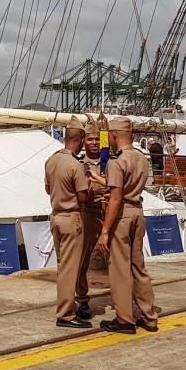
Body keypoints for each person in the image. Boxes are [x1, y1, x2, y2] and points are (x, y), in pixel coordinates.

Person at [95, 117, 158, 334]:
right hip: (138, 212)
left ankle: (124, 319)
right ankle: (149, 316)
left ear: (113, 135)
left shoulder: (116, 161)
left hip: (122, 215)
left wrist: (104, 230)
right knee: (138, 266)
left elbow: (115, 198)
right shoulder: (141, 158)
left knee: (120, 269)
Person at [44, 117, 92, 328]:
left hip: (55, 217)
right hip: (72, 218)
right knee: (70, 269)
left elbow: (47, 189)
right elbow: (83, 196)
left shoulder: (51, 161)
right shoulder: (75, 164)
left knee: (63, 265)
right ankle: (66, 314)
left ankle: (67, 309)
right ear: (80, 140)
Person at [75, 121, 107, 321]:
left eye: (97, 139)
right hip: (88, 211)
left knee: (117, 257)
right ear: (84, 141)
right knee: (82, 258)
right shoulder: (79, 164)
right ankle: (82, 298)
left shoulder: (109, 160)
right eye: (90, 139)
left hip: (108, 211)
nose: (94, 143)